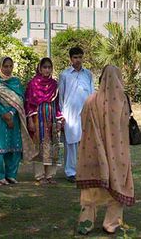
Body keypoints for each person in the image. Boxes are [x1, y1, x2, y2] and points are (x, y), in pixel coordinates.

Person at [76, 65, 133, 235]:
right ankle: (111, 224)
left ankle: (86, 224)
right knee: (117, 186)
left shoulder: (90, 100)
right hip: (118, 154)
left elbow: (83, 124)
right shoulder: (123, 101)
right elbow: (125, 125)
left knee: (90, 192)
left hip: (92, 153)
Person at [0, 56, 26, 187]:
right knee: (0, 148)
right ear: (0, 66)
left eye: (10, 66)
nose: (8, 69)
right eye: (5, 66)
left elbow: (20, 99)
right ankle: (0, 176)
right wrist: (4, 114)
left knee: (14, 148)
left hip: (14, 116)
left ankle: (11, 175)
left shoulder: (16, 82)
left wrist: (12, 113)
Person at [25, 57, 63, 184]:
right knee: (39, 146)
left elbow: (57, 104)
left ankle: (50, 175)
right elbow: (28, 104)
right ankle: (40, 176)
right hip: (38, 119)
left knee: (52, 146)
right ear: (40, 68)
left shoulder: (54, 84)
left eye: (49, 67)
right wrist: (30, 121)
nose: (47, 70)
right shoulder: (33, 84)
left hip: (51, 119)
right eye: (44, 67)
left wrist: (58, 121)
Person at [59, 45, 94, 182]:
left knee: (85, 142)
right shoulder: (65, 75)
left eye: (80, 57)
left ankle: (84, 170)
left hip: (85, 113)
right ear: (70, 59)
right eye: (75, 57)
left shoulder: (88, 74)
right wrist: (62, 115)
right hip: (69, 114)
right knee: (71, 143)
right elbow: (61, 96)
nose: (78, 60)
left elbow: (91, 94)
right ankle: (70, 172)